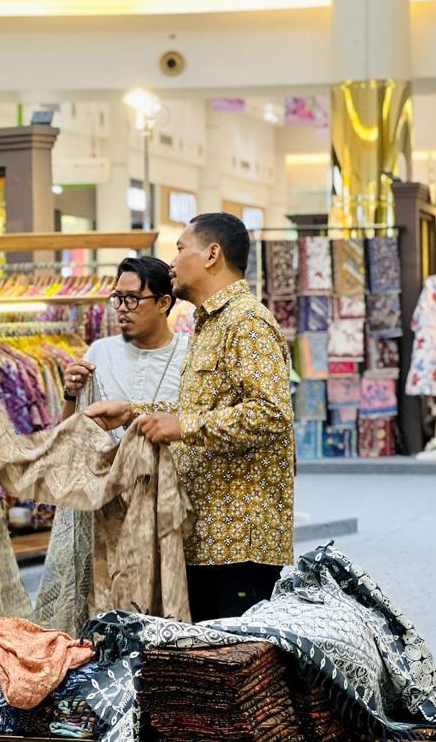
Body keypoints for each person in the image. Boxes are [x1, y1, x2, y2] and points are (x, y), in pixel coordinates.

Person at [87, 212, 294, 622]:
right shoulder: (208, 324)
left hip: (239, 539)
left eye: (180, 249)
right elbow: (203, 410)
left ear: (212, 254)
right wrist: (133, 413)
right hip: (205, 532)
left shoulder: (246, 322)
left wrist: (184, 426)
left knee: (237, 668)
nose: (172, 262)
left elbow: (272, 414)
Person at [61, 256, 187, 427]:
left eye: (132, 299)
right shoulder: (100, 352)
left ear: (163, 303)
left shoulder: (189, 354)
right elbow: (69, 433)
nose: (121, 307)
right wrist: (71, 394)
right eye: (118, 297)